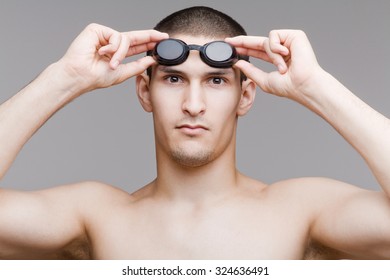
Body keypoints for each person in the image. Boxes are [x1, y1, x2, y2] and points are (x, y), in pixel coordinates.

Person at [0, 6, 389, 260]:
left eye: (217, 81)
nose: (193, 104)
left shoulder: (300, 211)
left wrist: (316, 88)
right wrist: (64, 79)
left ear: (246, 95)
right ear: (143, 90)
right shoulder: (96, 216)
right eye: (173, 78)